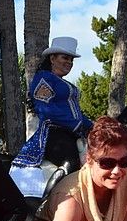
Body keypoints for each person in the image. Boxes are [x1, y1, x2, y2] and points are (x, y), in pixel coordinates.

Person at [15, 36, 94, 196]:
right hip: (53, 134)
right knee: (71, 163)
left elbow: (77, 113)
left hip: (72, 134)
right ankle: (45, 204)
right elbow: (46, 109)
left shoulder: (66, 84)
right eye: (65, 58)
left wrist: (95, 126)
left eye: (71, 60)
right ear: (52, 58)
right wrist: (77, 124)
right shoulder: (43, 78)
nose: (69, 63)